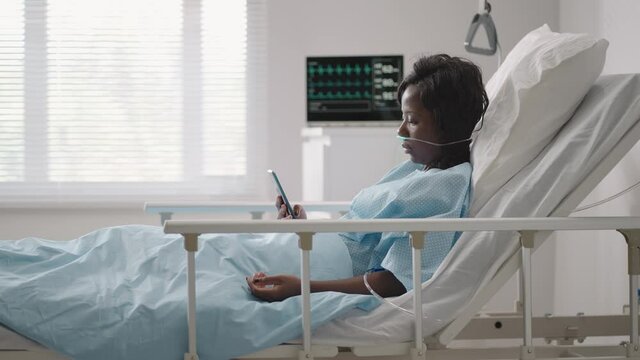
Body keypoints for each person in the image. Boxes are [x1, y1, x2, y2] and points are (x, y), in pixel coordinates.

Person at [247, 53, 489, 302]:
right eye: (402, 118)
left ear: (448, 124)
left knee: (219, 255)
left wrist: (303, 288)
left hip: (323, 270)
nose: (401, 130)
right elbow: (360, 235)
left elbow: (395, 280)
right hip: (315, 253)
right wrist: (308, 231)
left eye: (412, 121)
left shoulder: (446, 186)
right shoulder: (416, 170)